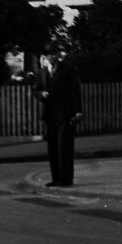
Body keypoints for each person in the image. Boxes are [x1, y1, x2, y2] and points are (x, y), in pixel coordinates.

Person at [39, 48, 83, 187]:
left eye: (54, 54)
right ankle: (56, 178)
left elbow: (76, 89)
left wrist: (78, 110)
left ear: (58, 55)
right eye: (49, 54)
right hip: (50, 113)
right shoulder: (43, 71)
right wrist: (41, 94)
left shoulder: (67, 68)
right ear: (46, 56)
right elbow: (35, 89)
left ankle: (66, 179)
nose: (52, 57)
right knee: (52, 146)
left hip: (65, 113)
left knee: (64, 146)